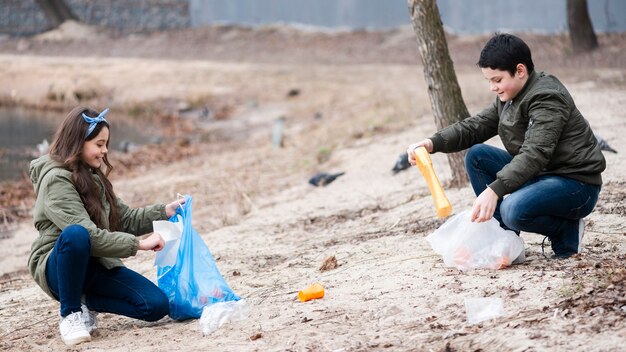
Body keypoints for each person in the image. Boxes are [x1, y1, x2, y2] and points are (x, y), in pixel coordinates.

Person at [407, 33, 606, 259]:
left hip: (576, 184)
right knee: (477, 156)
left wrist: (495, 190)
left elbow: (535, 153)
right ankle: (505, 240)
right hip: (543, 175)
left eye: (497, 80)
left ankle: (565, 230)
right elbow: (476, 126)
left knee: (512, 210)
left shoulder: (547, 97)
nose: (493, 87)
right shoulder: (511, 96)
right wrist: (433, 143)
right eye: (489, 81)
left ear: (520, 71)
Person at [28, 106, 182, 346]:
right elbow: (88, 235)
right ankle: (70, 313)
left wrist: (164, 211)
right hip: (59, 266)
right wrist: (139, 244)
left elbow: (125, 219)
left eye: (106, 144)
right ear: (78, 142)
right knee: (76, 235)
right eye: (99, 144)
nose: (105, 151)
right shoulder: (55, 180)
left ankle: (87, 300)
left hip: (96, 262)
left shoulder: (92, 175)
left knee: (155, 305)